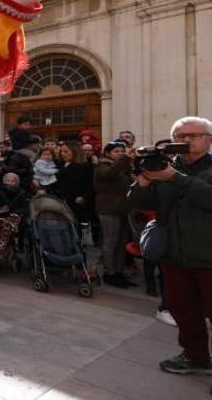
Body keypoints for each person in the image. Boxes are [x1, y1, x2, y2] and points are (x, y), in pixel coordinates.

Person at [128, 116, 212, 378]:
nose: (186, 140)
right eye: (180, 136)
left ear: (208, 139)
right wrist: (141, 183)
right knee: (182, 310)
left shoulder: (174, 173)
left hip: (208, 255)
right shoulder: (163, 168)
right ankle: (195, 356)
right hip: (173, 255)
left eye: (193, 135)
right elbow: (137, 203)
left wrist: (175, 178)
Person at [95, 141, 136, 289]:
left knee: (121, 243)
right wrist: (125, 158)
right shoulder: (102, 165)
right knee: (111, 242)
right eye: (116, 151)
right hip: (109, 209)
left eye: (121, 151)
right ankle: (109, 273)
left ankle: (119, 272)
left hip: (124, 209)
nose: (120, 153)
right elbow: (109, 174)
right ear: (107, 153)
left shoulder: (124, 167)